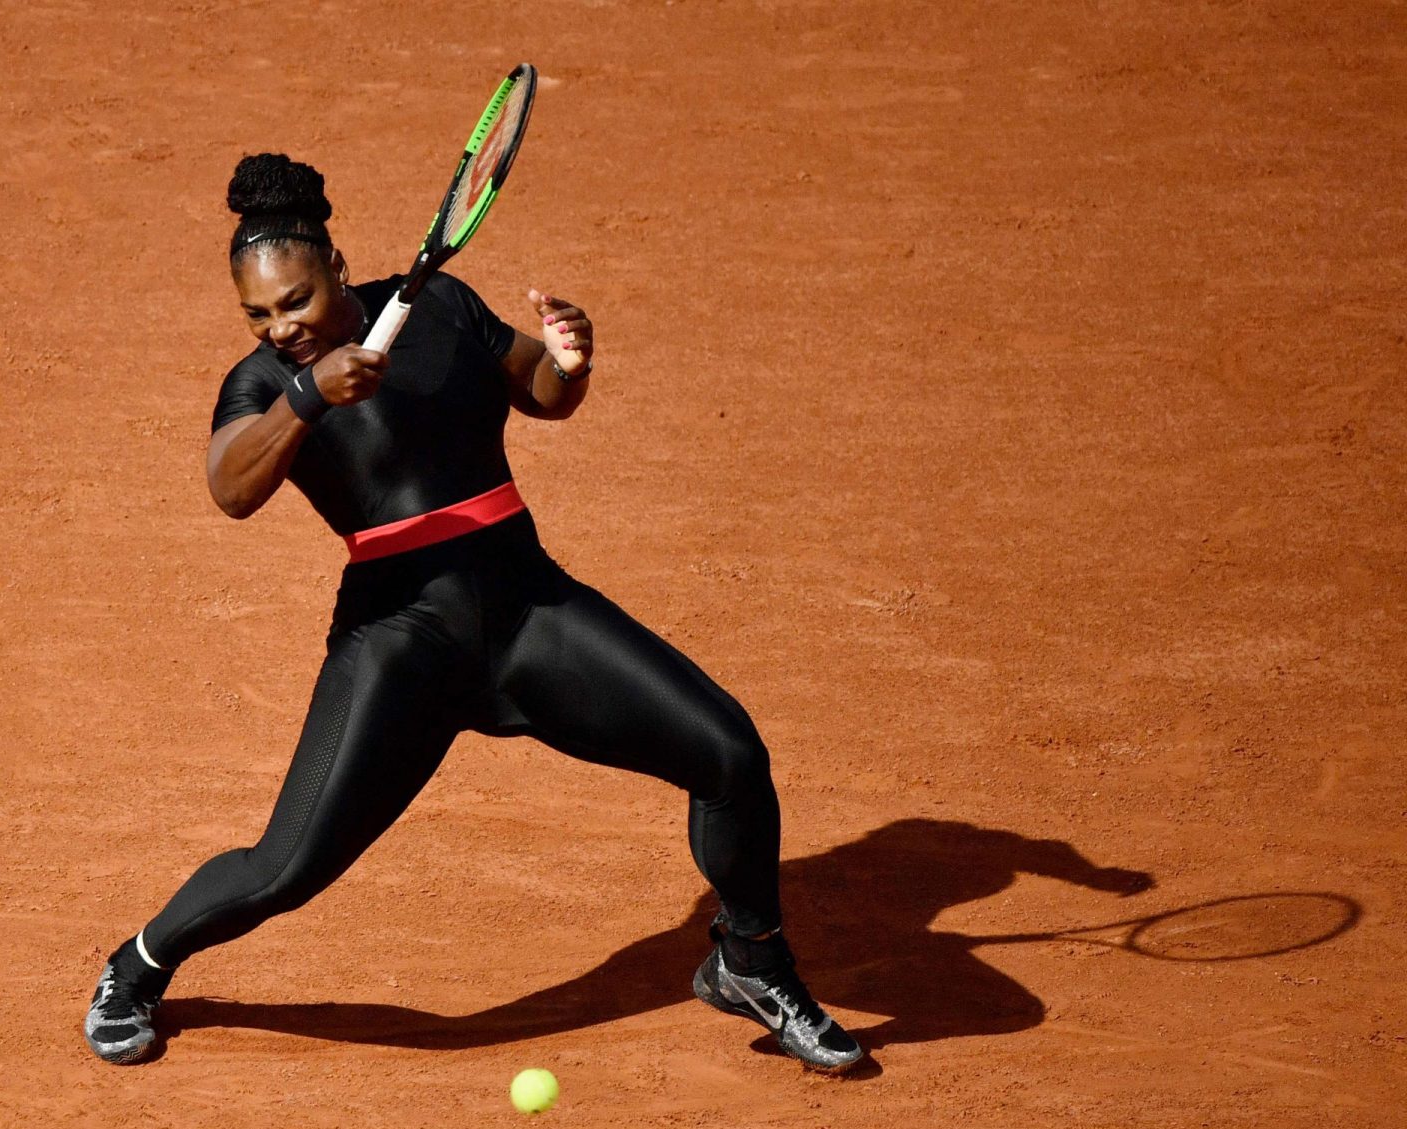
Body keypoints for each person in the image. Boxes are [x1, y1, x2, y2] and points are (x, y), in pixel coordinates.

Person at [84, 153, 862, 1072]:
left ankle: (751, 959)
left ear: (336, 269)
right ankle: (136, 966)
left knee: (729, 753)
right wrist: (309, 393)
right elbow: (230, 487)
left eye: (295, 302)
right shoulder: (261, 386)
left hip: (529, 613)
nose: (280, 328)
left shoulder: (441, 306)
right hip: (400, 646)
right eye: (257, 315)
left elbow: (541, 389)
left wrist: (571, 362)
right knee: (285, 868)